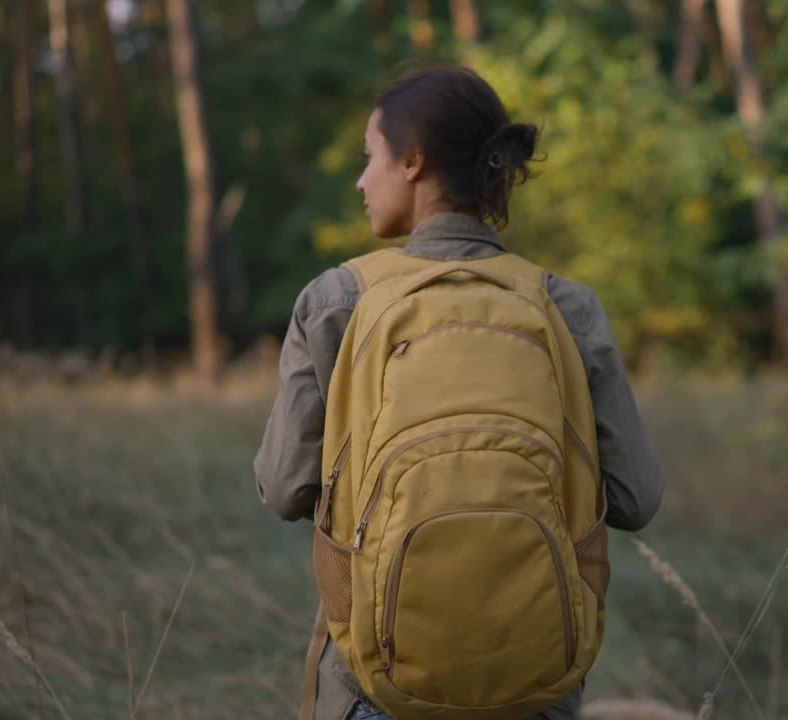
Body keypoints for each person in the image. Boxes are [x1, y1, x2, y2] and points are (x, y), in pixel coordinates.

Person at [254, 65, 664, 720]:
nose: (362, 180)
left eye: (371, 159)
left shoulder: (335, 302)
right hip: (538, 683)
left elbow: (283, 488)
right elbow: (637, 498)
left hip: (378, 683)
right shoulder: (566, 306)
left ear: (413, 163)